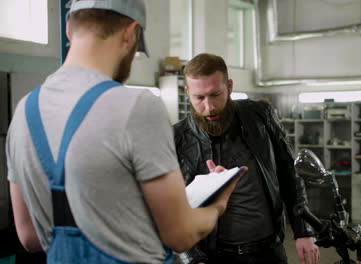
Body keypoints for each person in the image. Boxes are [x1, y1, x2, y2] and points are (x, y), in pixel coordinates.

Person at [6, 1, 245, 264]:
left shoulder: (23, 112)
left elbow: (29, 237)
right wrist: (218, 204)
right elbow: (180, 235)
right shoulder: (137, 106)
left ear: (68, 30)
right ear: (131, 33)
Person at [173, 53, 320, 264]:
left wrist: (303, 230)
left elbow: (289, 172)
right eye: (199, 98)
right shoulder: (178, 139)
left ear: (230, 86)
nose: (209, 106)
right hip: (214, 257)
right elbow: (171, 211)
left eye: (216, 94)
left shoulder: (260, 116)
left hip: (269, 251)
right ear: (187, 93)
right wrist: (193, 259)